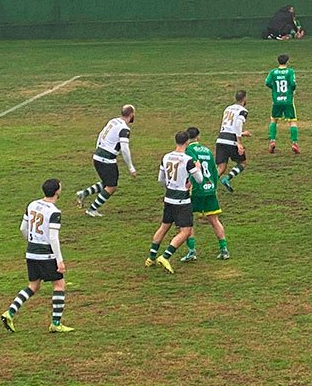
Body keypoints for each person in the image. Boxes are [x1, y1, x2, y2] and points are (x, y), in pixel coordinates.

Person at [0, 178, 73, 333]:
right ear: (57, 191)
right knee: (59, 285)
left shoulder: (32, 204)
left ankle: (10, 312)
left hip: (31, 252)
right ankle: (56, 323)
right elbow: (53, 237)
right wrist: (59, 260)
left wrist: (32, 241)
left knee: (34, 286)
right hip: (46, 254)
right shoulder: (54, 212)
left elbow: (22, 228)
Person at [145, 131, 205, 275]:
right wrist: (198, 168)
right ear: (187, 143)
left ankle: (151, 257)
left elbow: (161, 179)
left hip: (169, 197)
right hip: (182, 200)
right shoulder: (188, 160)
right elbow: (199, 180)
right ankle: (165, 256)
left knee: (164, 227)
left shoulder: (166, 157)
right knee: (185, 231)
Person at [76, 105, 137, 217]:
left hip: (98, 155)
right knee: (111, 186)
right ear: (131, 114)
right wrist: (131, 167)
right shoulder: (124, 129)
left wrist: (98, 149)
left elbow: (101, 134)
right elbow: (124, 148)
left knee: (107, 182)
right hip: (106, 159)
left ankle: (84, 193)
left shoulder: (113, 121)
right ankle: (91, 209)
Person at [180, 127, 230, 262]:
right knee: (214, 220)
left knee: (187, 221)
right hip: (210, 189)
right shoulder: (207, 150)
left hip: (195, 190)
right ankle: (224, 249)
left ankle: (192, 251)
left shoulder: (189, 150)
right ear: (198, 137)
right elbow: (214, 171)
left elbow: (194, 169)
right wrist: (213, 187)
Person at [215, 89, 250, 192]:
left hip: (221, 139)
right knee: (242, 162)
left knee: (221, 167)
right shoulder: (243, 111)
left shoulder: (228, 108)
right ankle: (227, 178)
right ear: (244, 99)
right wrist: (239, 143)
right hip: (232, 141)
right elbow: (238, 124)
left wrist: (243, 133)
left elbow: (229, 126)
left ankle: (208, 186)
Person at [265, 54, 300, 154]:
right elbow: (293, 84)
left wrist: (274, 88)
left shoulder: (273, 72)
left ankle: (272, 141)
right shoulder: (290, 71)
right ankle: (294, 143)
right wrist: (292, 90)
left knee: (273, 120)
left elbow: (267, 82)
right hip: (288, 100)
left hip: (276, 100)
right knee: (292, 122)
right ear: (287, 61)